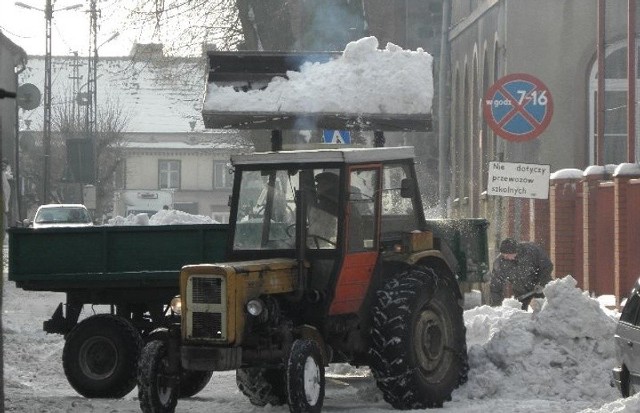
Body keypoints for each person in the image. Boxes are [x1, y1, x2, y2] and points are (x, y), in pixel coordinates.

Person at [489, 237, 554, 310]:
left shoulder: (531, 250)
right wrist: (496, 304)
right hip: (520, 291)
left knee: (546, 311)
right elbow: (496, 285)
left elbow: (547, 266)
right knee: (519, 315)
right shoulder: (500, 262)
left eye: (508, 255)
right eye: (504, 255)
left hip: (540, 286)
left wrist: (542, 283)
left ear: (515, 251)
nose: (506, 257)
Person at [307, 171, 339, 248]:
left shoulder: (329, 206)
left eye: (322, 184)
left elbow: (319, 233)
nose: (317, 187)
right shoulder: (326, 204)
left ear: (331, 186)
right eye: (317, 184)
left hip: (325, 247)